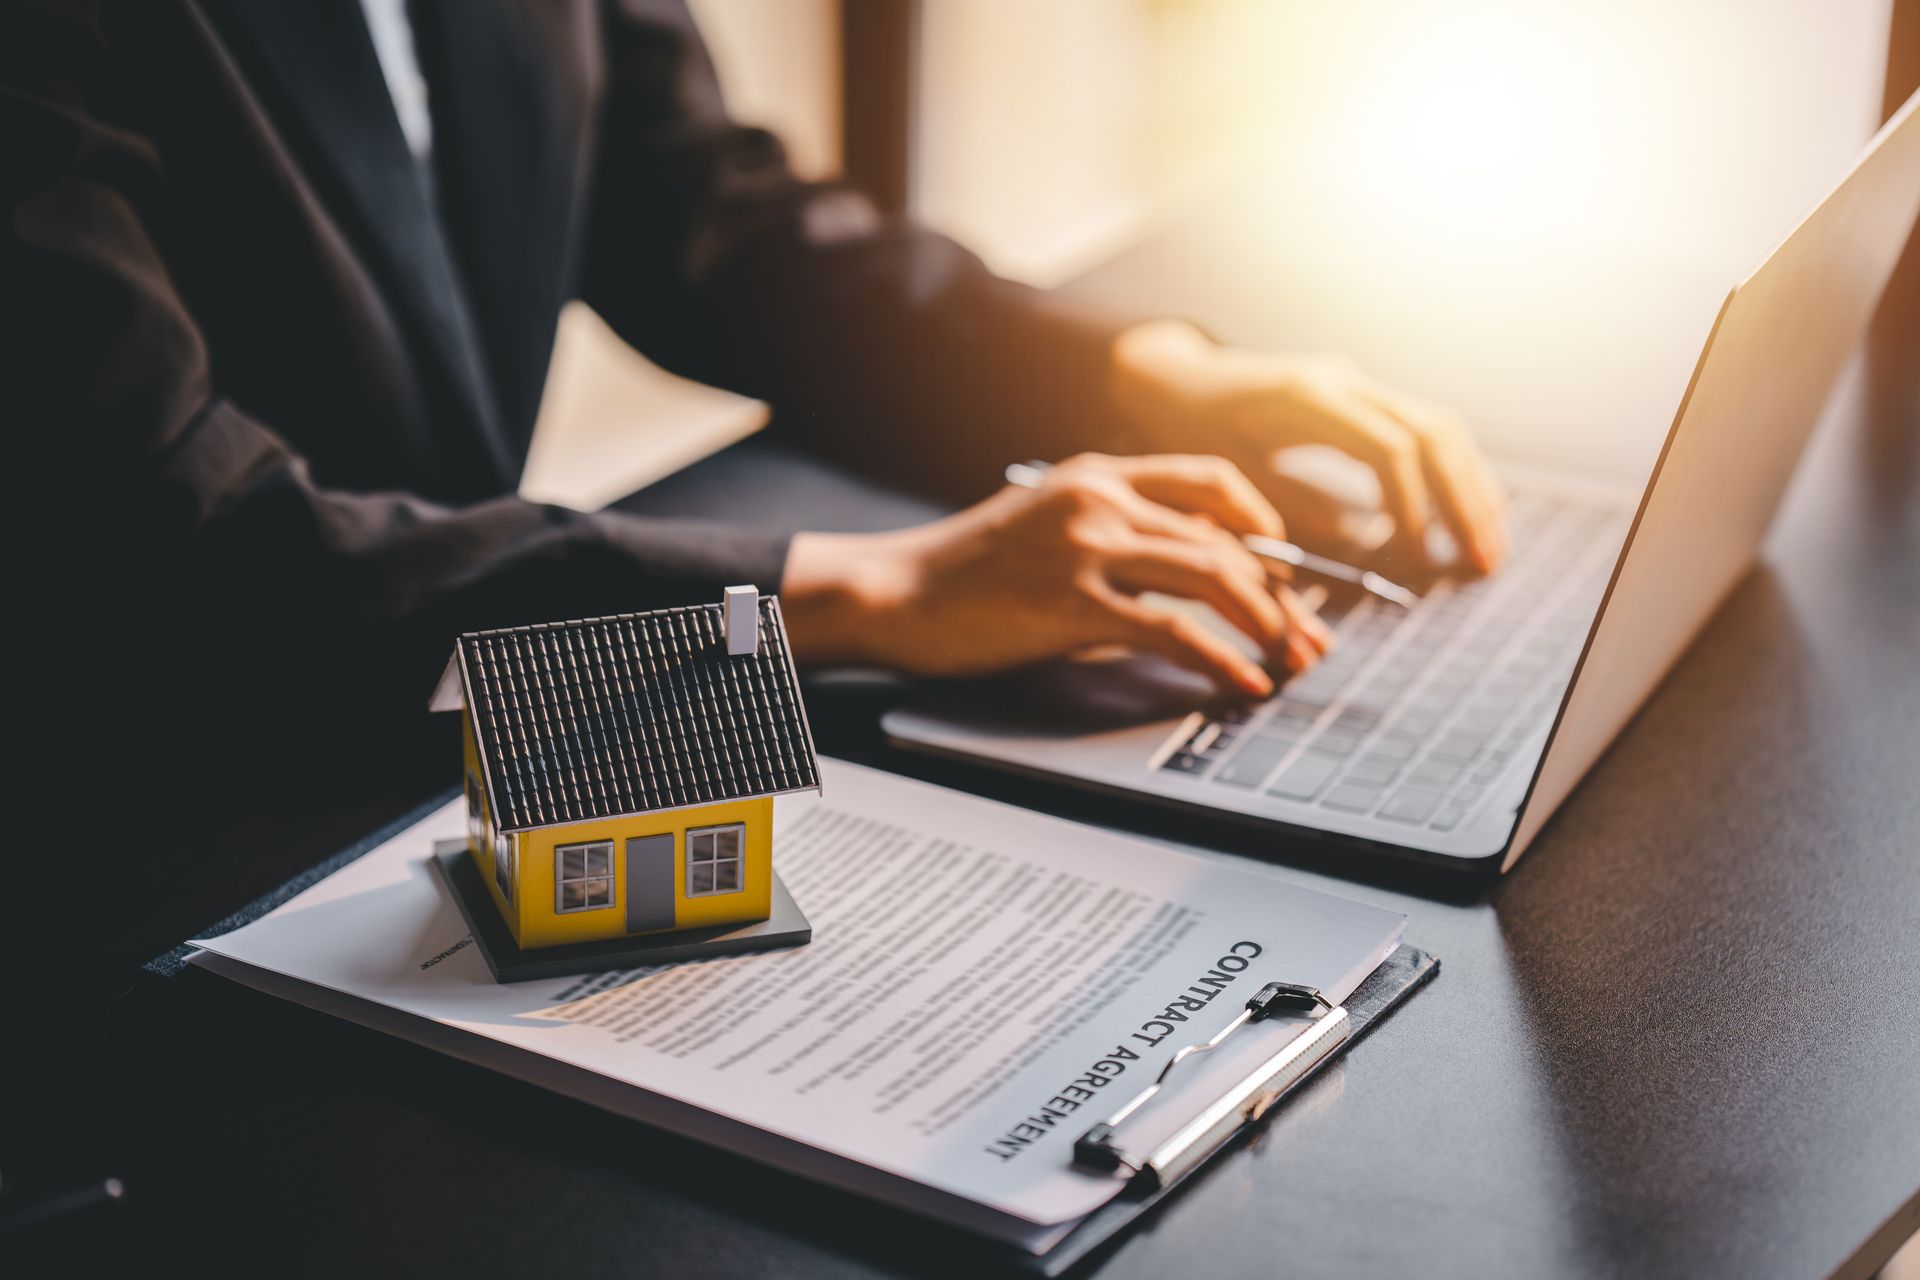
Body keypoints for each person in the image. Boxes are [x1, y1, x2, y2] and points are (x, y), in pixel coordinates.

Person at [9, 0, 1504, 799]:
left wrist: (1135, 375)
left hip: (471, 731)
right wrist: (863, 591)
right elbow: (173, 552)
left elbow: (699, 214)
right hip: (149, 817)